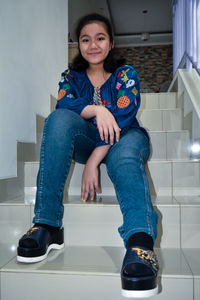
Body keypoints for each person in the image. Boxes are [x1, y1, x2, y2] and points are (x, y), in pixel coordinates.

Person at [17, 13, 159, 298]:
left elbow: (124, 115)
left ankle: (140, 244)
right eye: (85, 39)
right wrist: (98, 110)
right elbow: (65, 103)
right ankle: (47, 224)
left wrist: (94, 161)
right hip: (87, 136)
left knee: (126, 155)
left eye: (100, 37)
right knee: (57, 120)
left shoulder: (126, 74)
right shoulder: (71, 77)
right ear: (78, 44)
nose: (93, 44)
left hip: (125, 137)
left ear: (111, 42)